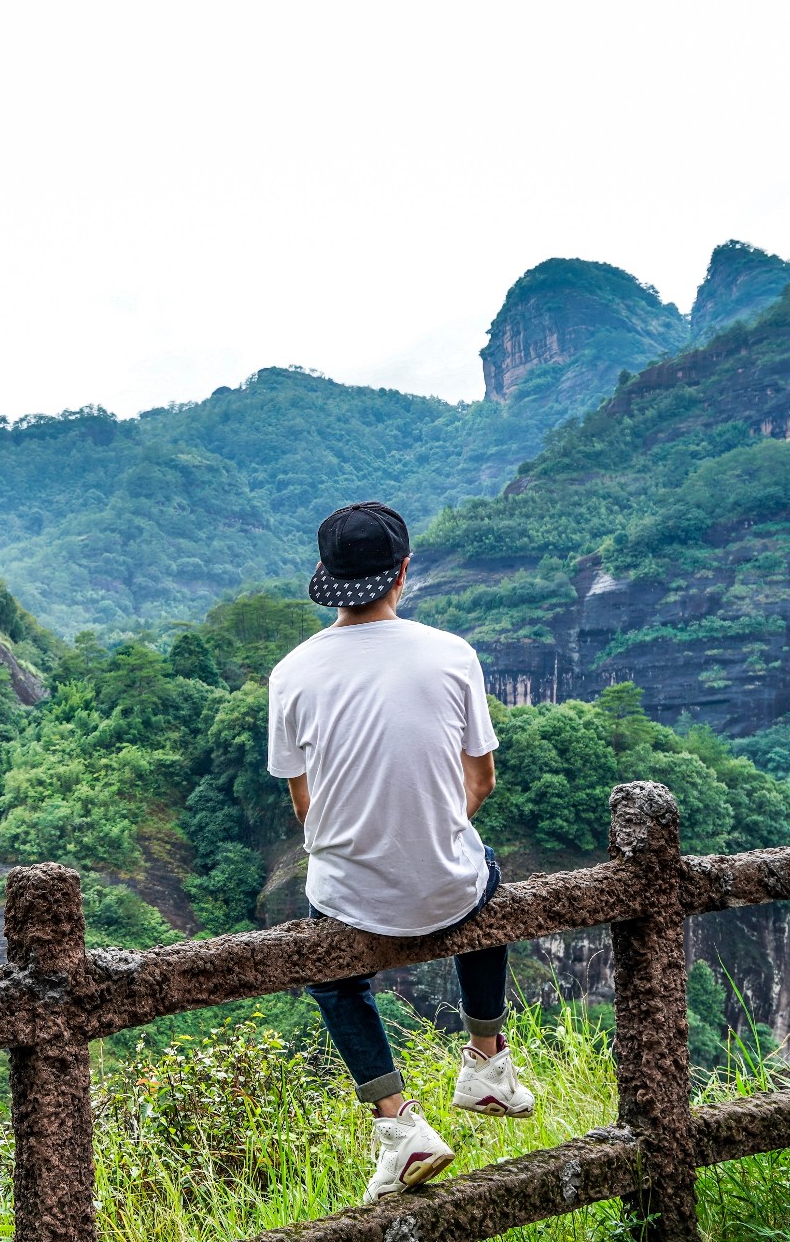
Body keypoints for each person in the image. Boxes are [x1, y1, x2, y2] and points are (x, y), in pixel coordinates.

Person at [266, 501, 534, 1206]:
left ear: (325, 577)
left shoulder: (290, 673)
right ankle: (485, 1061)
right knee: (488, 871)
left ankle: (397, 1124)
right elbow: (482, 781)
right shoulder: (452, 653)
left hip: (349, 896)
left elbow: (306, 807)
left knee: (333, 978)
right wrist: (429, 830)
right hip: (449, 883)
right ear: (403, 571)